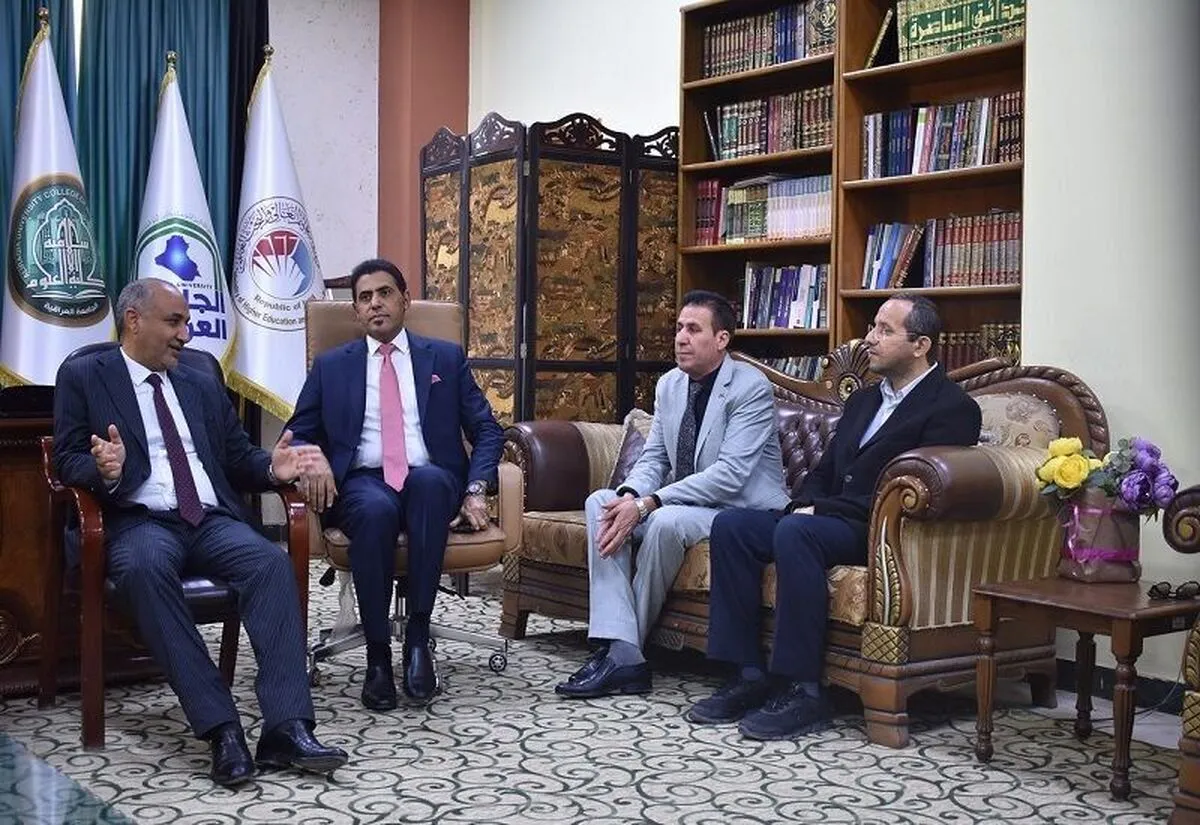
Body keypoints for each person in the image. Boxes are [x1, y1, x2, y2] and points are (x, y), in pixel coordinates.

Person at [52, 278, 348, 788]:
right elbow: (66, 459)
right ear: (133, 321)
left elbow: (237, 457)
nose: (185, 335)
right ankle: (221, 729)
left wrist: (272, 467)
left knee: (270, 564)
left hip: (210, 520)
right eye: (174, 322)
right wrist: (103, 469)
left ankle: (287, 727)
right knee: (146, 569)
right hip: (138, 520)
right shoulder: (85, 375)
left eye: (187, 323)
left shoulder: (200, 381)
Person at [687, 293, 982, 740]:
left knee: (797, 532)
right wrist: (805, 503)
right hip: (826, 519)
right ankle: (747, 674)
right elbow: (824, 471)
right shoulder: (863, 401)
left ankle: (804, 690)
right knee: (733, 526)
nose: (869, 339)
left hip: (884, 532)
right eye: (872, 327)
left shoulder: (952, 408)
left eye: (884, 330)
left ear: (920, 345)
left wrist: (818, 510)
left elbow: (918, 491)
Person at [286, 258, 504, 711]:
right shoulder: (331, 367)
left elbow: (487, 429)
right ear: (355, 311)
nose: (375, 304)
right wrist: (315, 459)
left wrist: (476, 489)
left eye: (384, 293)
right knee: (375, 508)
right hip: (362, 481)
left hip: (431, 477)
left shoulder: (444, 358)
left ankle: (418, 637)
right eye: (364, 298)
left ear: (405, 300)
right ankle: (378, 656)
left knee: (428, 486)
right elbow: (299, 433)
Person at [555, 290, 791, 700]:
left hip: (739, 510)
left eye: (694, 329)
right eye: (679, 328)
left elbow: (730, 476)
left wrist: (649, 504)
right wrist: (630, 495)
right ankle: (625, 650)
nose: (681, 338)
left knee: (664, 520)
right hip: (685, 504)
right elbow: (655, 458)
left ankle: (620, 653)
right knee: (601, 503)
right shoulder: (669, 385)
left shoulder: (750, 388)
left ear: (722, 339)